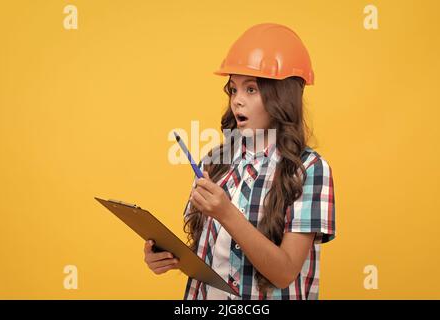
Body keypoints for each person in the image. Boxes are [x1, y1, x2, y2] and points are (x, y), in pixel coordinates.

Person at [144, 23, 336, 300]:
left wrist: (226, 213)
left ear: (282, 96)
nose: (237, 101)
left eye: (251, 90)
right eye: (233, 90)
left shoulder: (309, 170)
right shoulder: (215, 162)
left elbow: (284, 273)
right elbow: (209, 254)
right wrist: (166, 257)